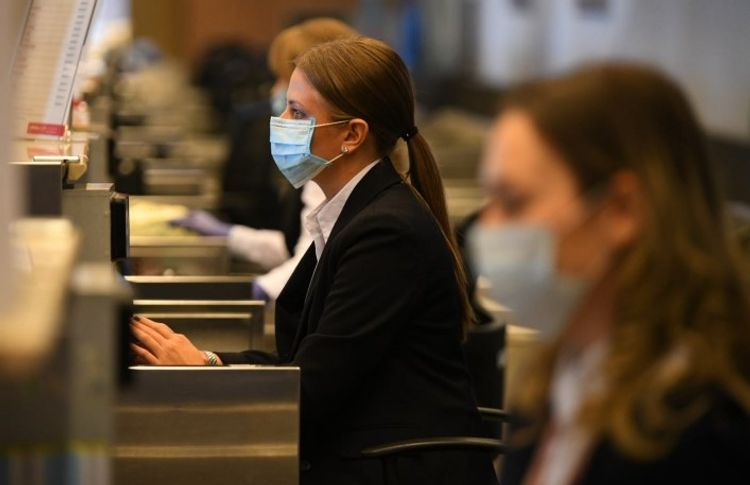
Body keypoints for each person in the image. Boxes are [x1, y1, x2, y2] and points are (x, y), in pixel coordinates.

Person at [130, 36, 498, 485]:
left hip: (394, 468)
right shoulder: (353, 213)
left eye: (298, 113)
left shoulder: (386, 232)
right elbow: (303, 361)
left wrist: (202, 370)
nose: (280, 123)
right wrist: (205, 359)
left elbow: (311, 390)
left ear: (352, 135)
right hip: (365, 452)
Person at [468, 63, 750, 484]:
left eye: (513, 202)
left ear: (621, 209)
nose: (487, 227)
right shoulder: (560, 376)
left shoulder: (704, 430)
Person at [172, 18, 357, 300]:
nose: (274, 94)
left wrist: (252, 293)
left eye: (296, 109)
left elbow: (313, 265)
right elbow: (301, 247)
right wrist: (228, 235)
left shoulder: (344, 183)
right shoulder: (319, 173)